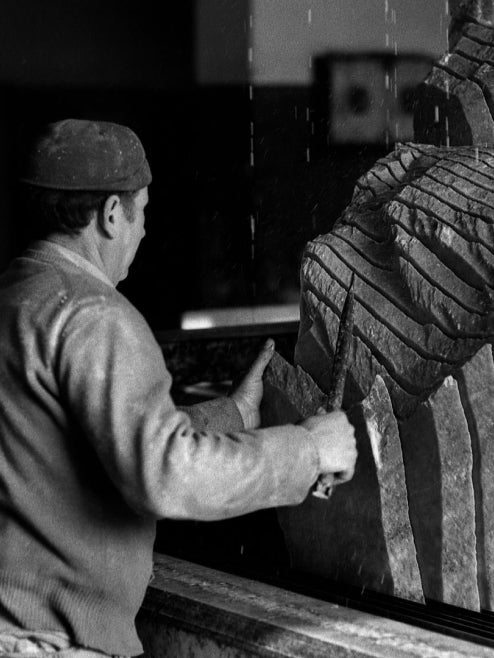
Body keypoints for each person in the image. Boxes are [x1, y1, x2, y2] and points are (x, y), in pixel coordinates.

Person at [0, 119, 357, 657]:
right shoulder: (96, 317)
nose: (144, 231)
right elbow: (167, 474)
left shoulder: (16, 298)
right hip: (51, 644)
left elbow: (93, 441)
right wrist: (309, 449)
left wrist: (235, 414)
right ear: (112, 214)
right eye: (142, 211)